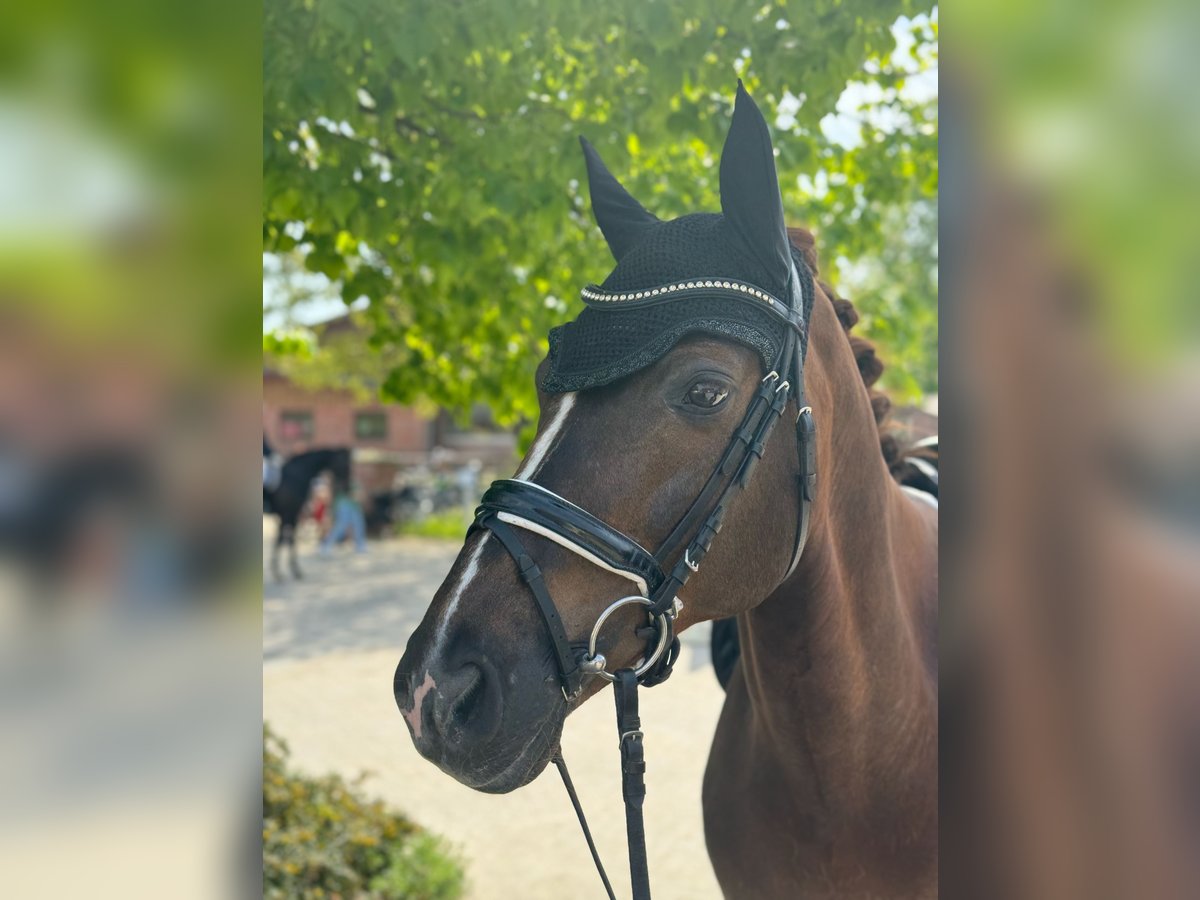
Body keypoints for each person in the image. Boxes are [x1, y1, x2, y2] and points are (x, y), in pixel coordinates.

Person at [319, 474, 366, 554]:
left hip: (354, 506)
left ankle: (360, 545)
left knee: (358, 524)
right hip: (343, 506)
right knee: (341, 526)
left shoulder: (354, 482)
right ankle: (326, 545)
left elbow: (359, 495)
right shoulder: (340, 480)